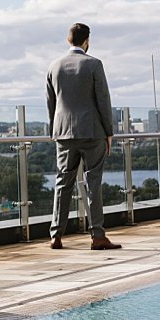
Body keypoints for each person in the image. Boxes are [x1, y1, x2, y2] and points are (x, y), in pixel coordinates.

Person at [46, 22, 120, 251]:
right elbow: (103, 100)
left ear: (69, 40)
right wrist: (109, 132)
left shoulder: (54, 66)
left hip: (63, 132)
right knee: (93, 183)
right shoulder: (94, 64)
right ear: (86, 41)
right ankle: (97, 236)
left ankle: (56, 235)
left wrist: (54, 130)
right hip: (92, 131)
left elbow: (51, 103)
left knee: (62, 183)